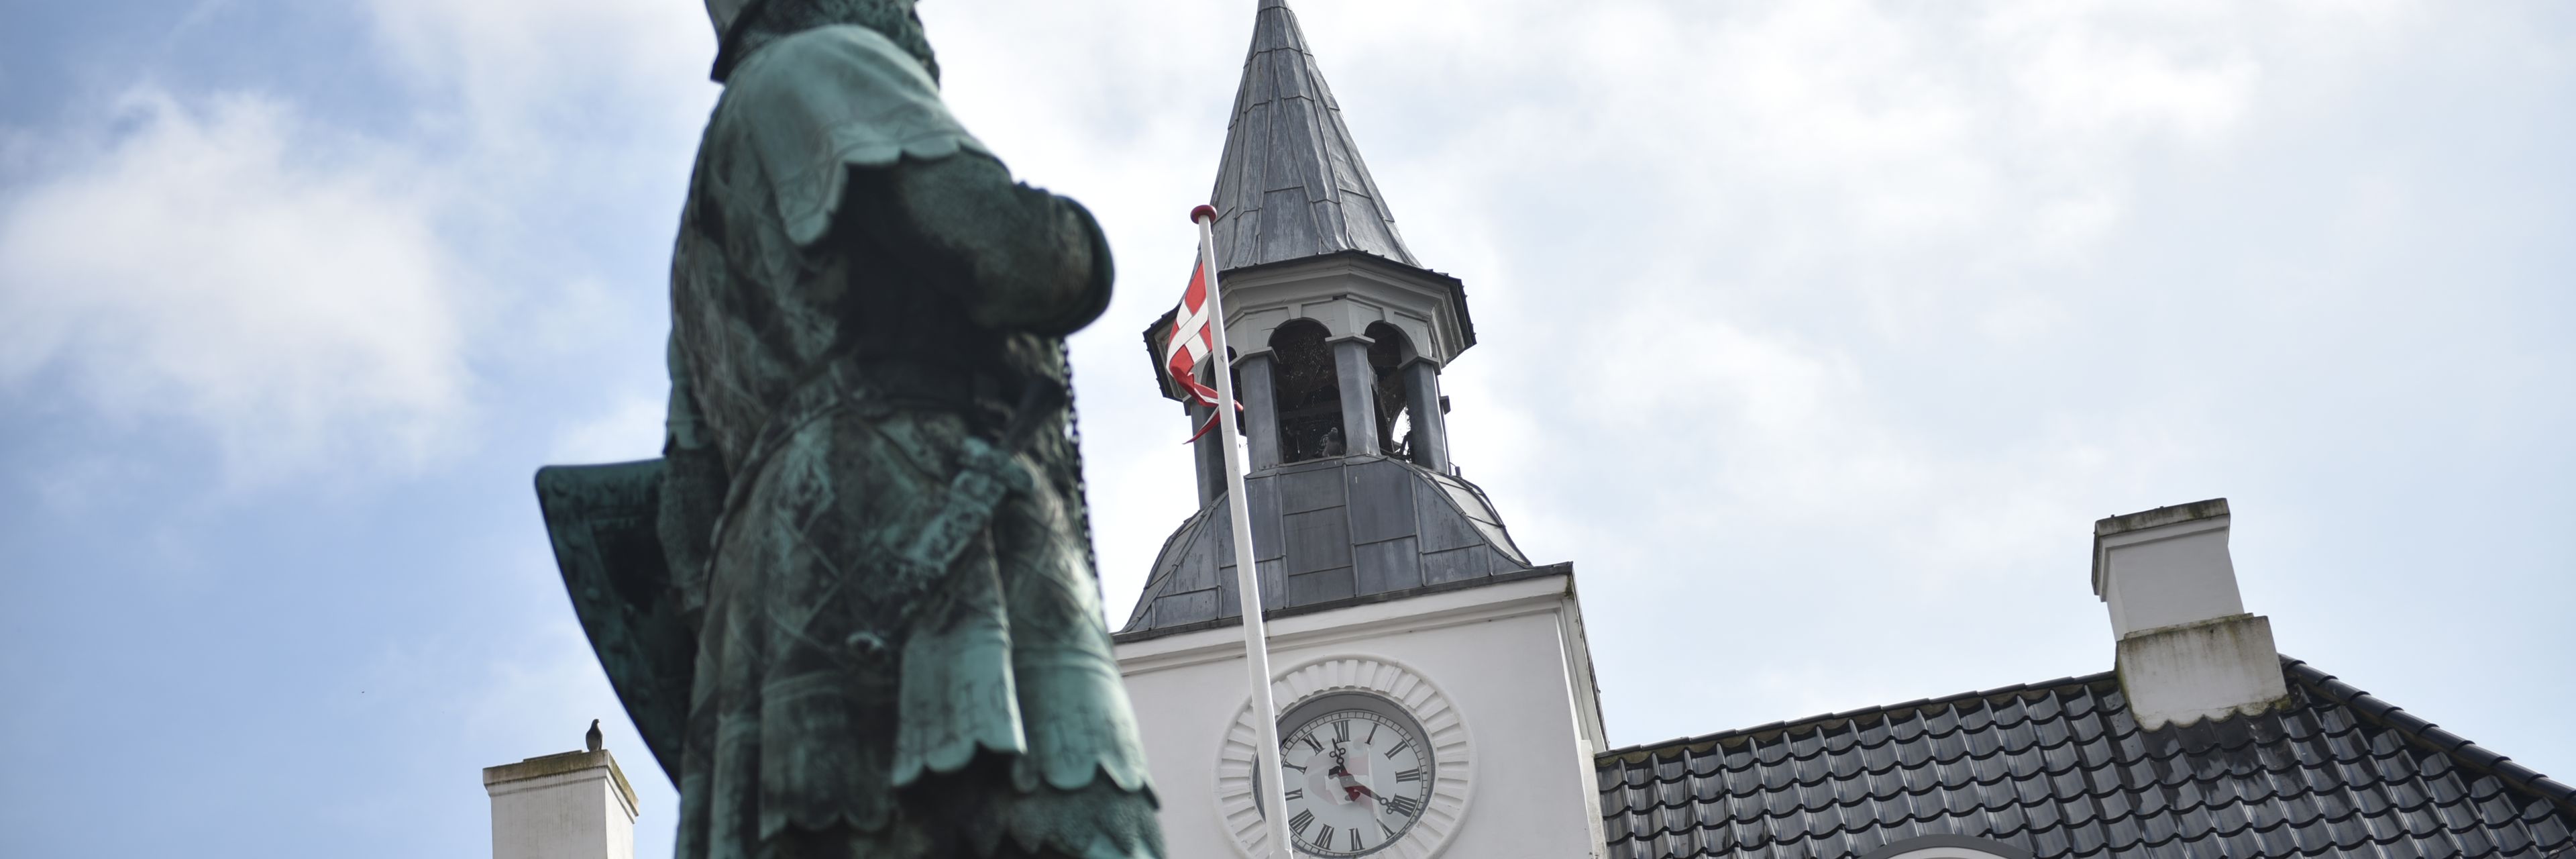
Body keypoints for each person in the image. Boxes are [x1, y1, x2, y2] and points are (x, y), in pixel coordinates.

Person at [654, 1, 1162, 856]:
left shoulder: (702, 224)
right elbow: (1016, 258)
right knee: (1072, 828)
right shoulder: (828, 65)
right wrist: (1078, 242)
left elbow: (680, 519)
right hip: (924, 508)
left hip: (769, 606)